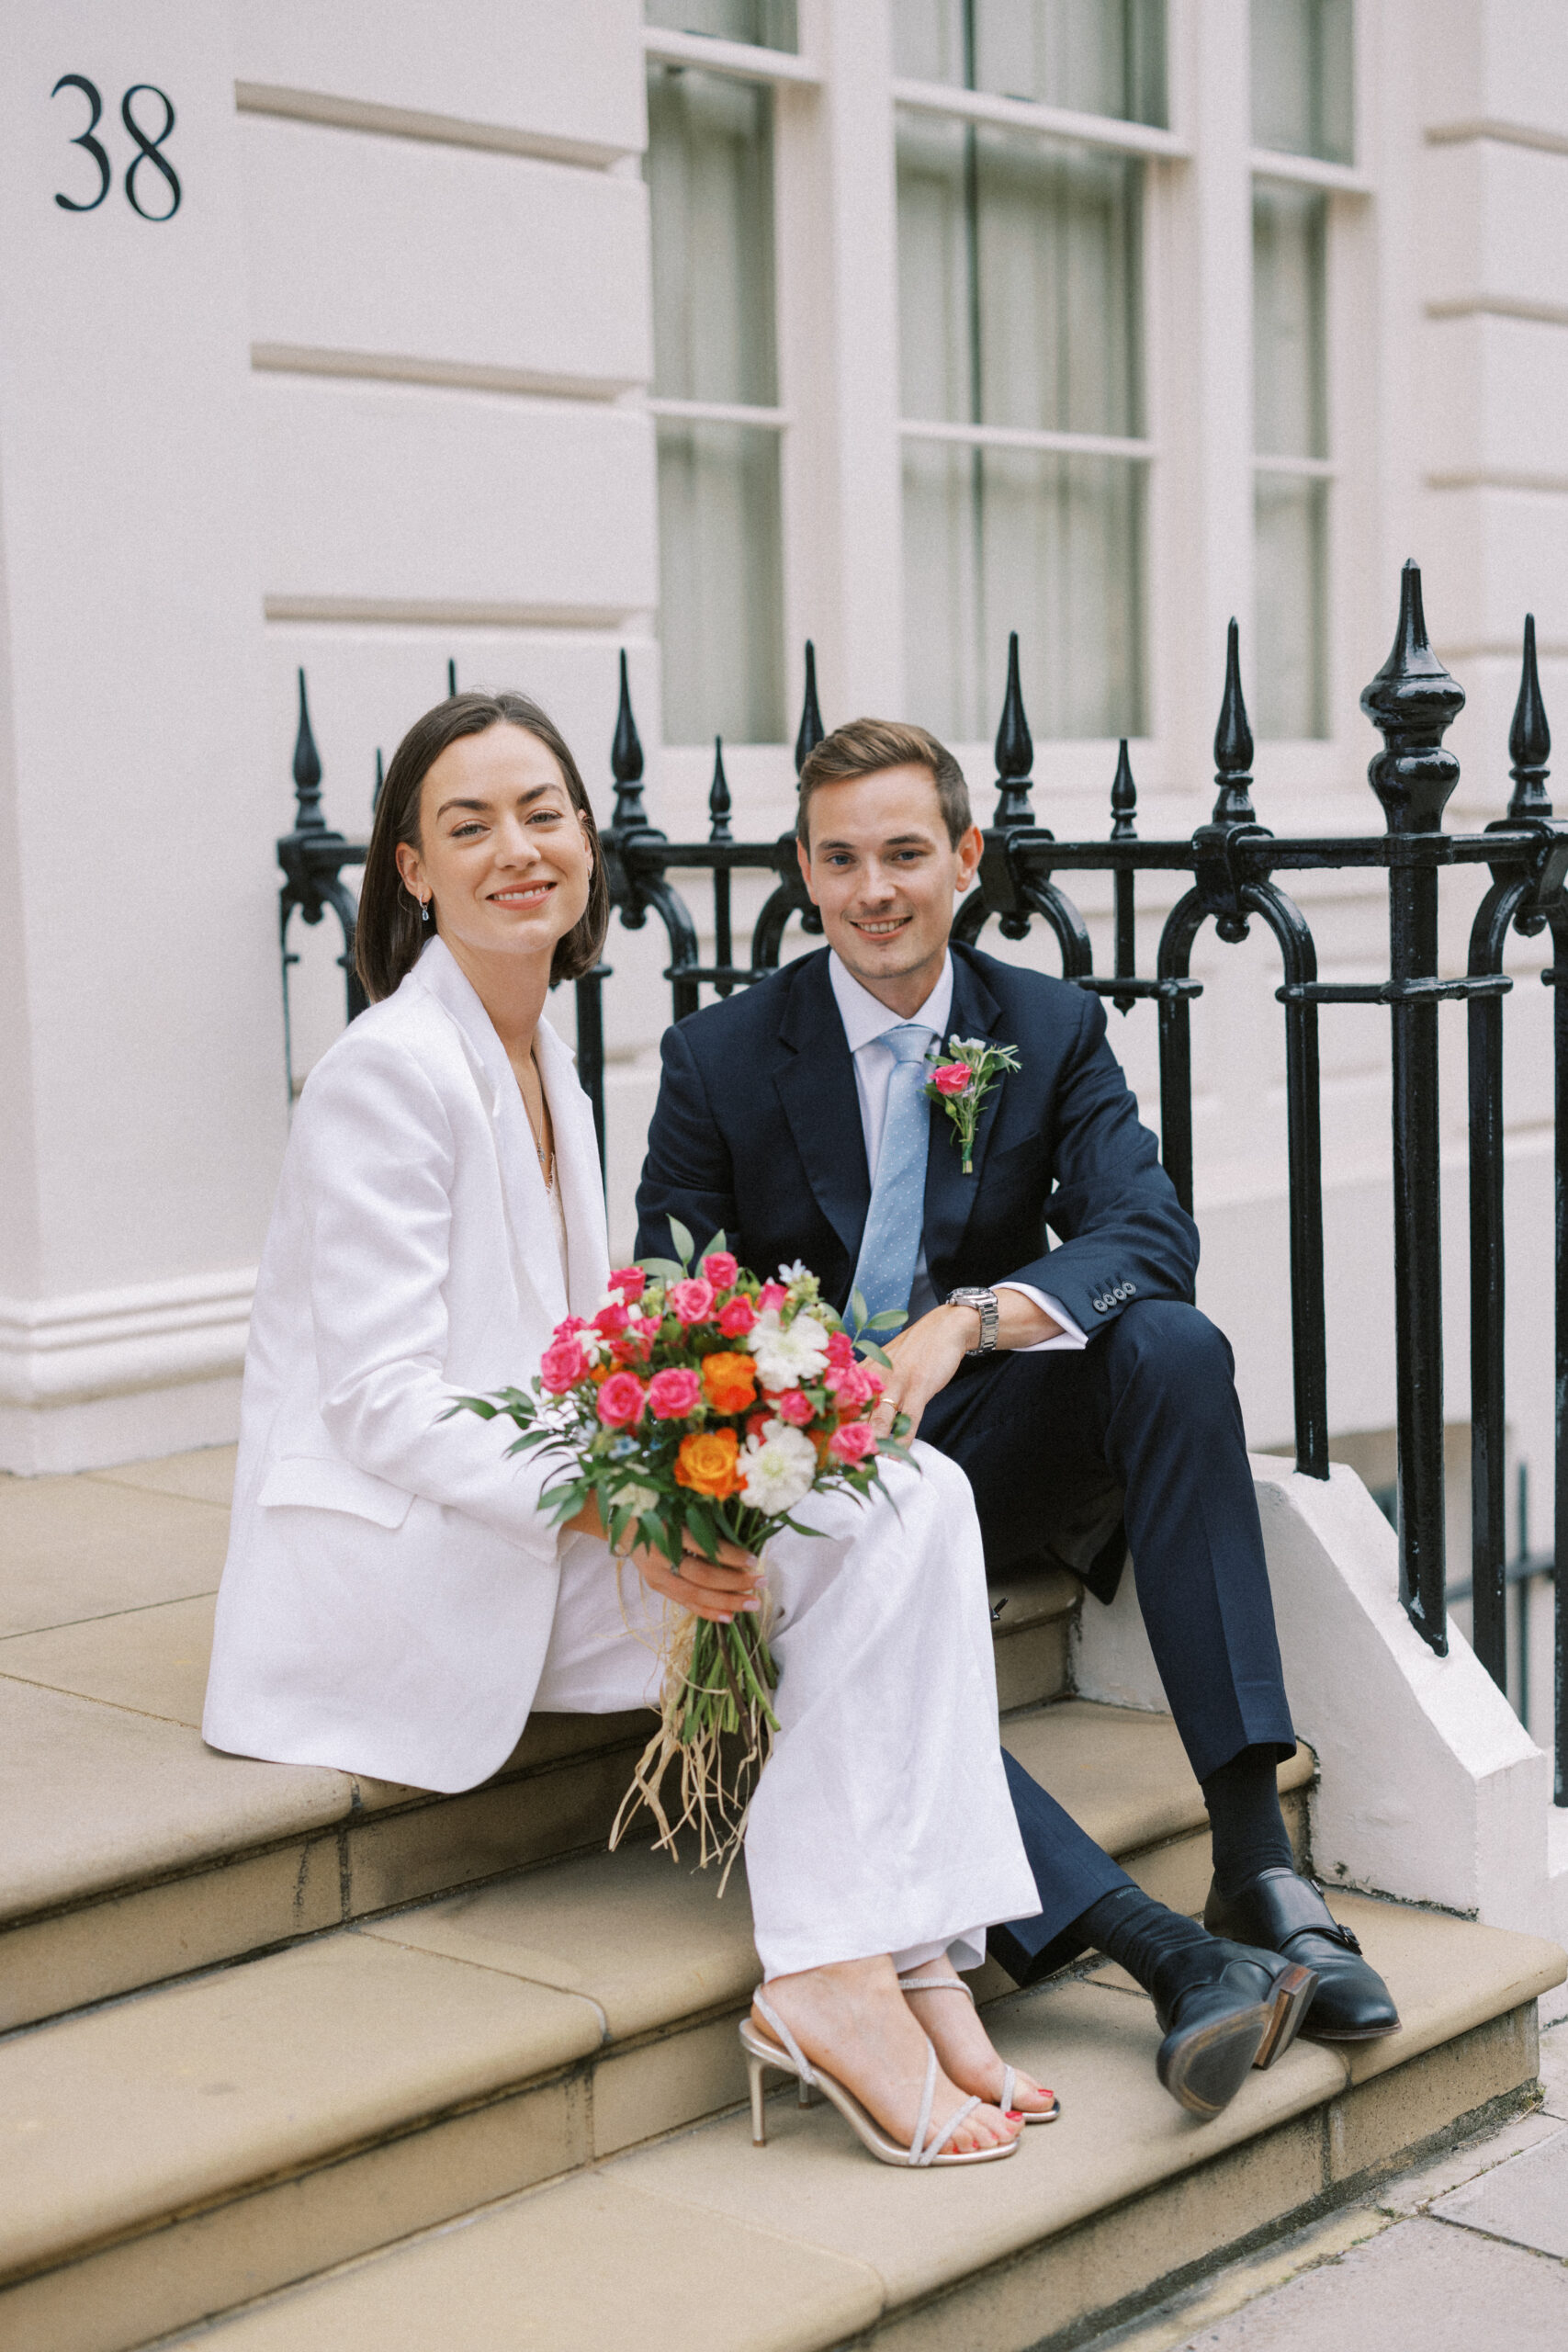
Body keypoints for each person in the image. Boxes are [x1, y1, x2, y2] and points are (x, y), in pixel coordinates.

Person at [205, 689, 1068, 2173]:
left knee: (912, 1493)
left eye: (544, 815)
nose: (517, 849)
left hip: (538, 1514)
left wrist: (711, 1451)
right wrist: (633, 1517)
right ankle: (825, 1977)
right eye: (467, 825)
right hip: (413, 1564)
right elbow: (380, 1404)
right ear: (411, 870)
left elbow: (575, 1352)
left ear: (589, 848)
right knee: (866, 1532)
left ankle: (918, 1946)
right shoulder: (386, 1073)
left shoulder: (541, 1053)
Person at [635, 716, 1398, 2052]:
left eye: (907, 853)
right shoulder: (718, 1057)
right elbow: (669, 1296)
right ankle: (1154, 1952)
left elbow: (1150, 1236)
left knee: (1175, 1346)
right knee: (838, 1617)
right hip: (805, 1475)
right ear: (805, 875)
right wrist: (783, 1413)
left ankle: (1253, 1856)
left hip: (982, 1430)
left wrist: (965, 1324)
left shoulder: (1043, 1025)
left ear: (967, 858)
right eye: (843, 858)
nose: (877, 889)